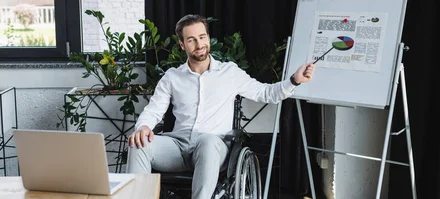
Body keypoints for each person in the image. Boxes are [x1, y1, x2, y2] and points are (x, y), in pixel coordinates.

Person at [126, 14, 315, 199]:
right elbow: (154, 110)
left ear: (208, 37)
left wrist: (294, 80)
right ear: (182, 44)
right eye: (191, 40)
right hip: (178, 147)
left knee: (207, 141)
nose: (199, 45)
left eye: (202, 37)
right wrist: (143, 127)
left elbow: (266, 93)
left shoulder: (229, 72)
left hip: (213, 148)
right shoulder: (172, 77)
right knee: (138, 143)